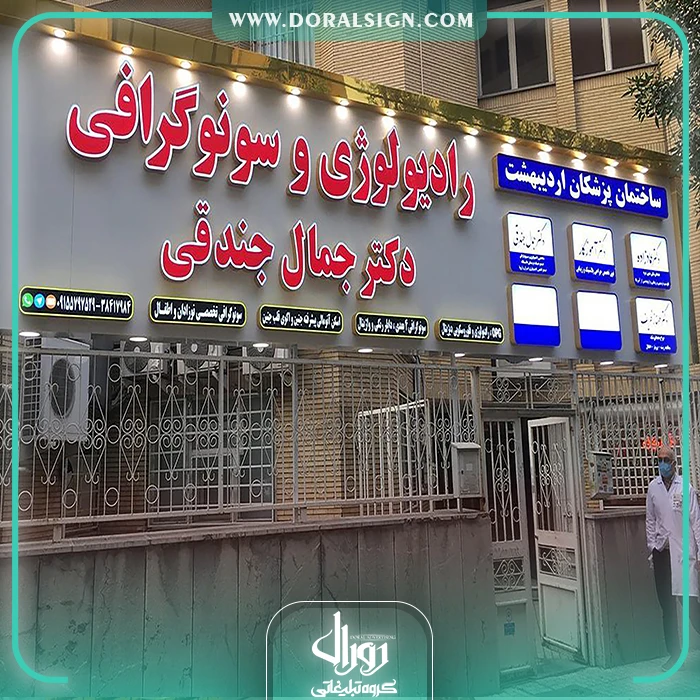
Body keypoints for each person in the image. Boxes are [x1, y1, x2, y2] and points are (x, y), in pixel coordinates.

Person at [646, 445, 700, 670]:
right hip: (662, 553)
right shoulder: (653, 488)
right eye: (659, 460)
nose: (662, 464)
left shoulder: (685, 487)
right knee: (667, 607)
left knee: (690, 605)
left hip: (682, 555)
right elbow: (650, 520)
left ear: (674, 463)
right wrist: (652, 547)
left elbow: (696, 521)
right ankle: (674, 655)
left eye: (666, 460)